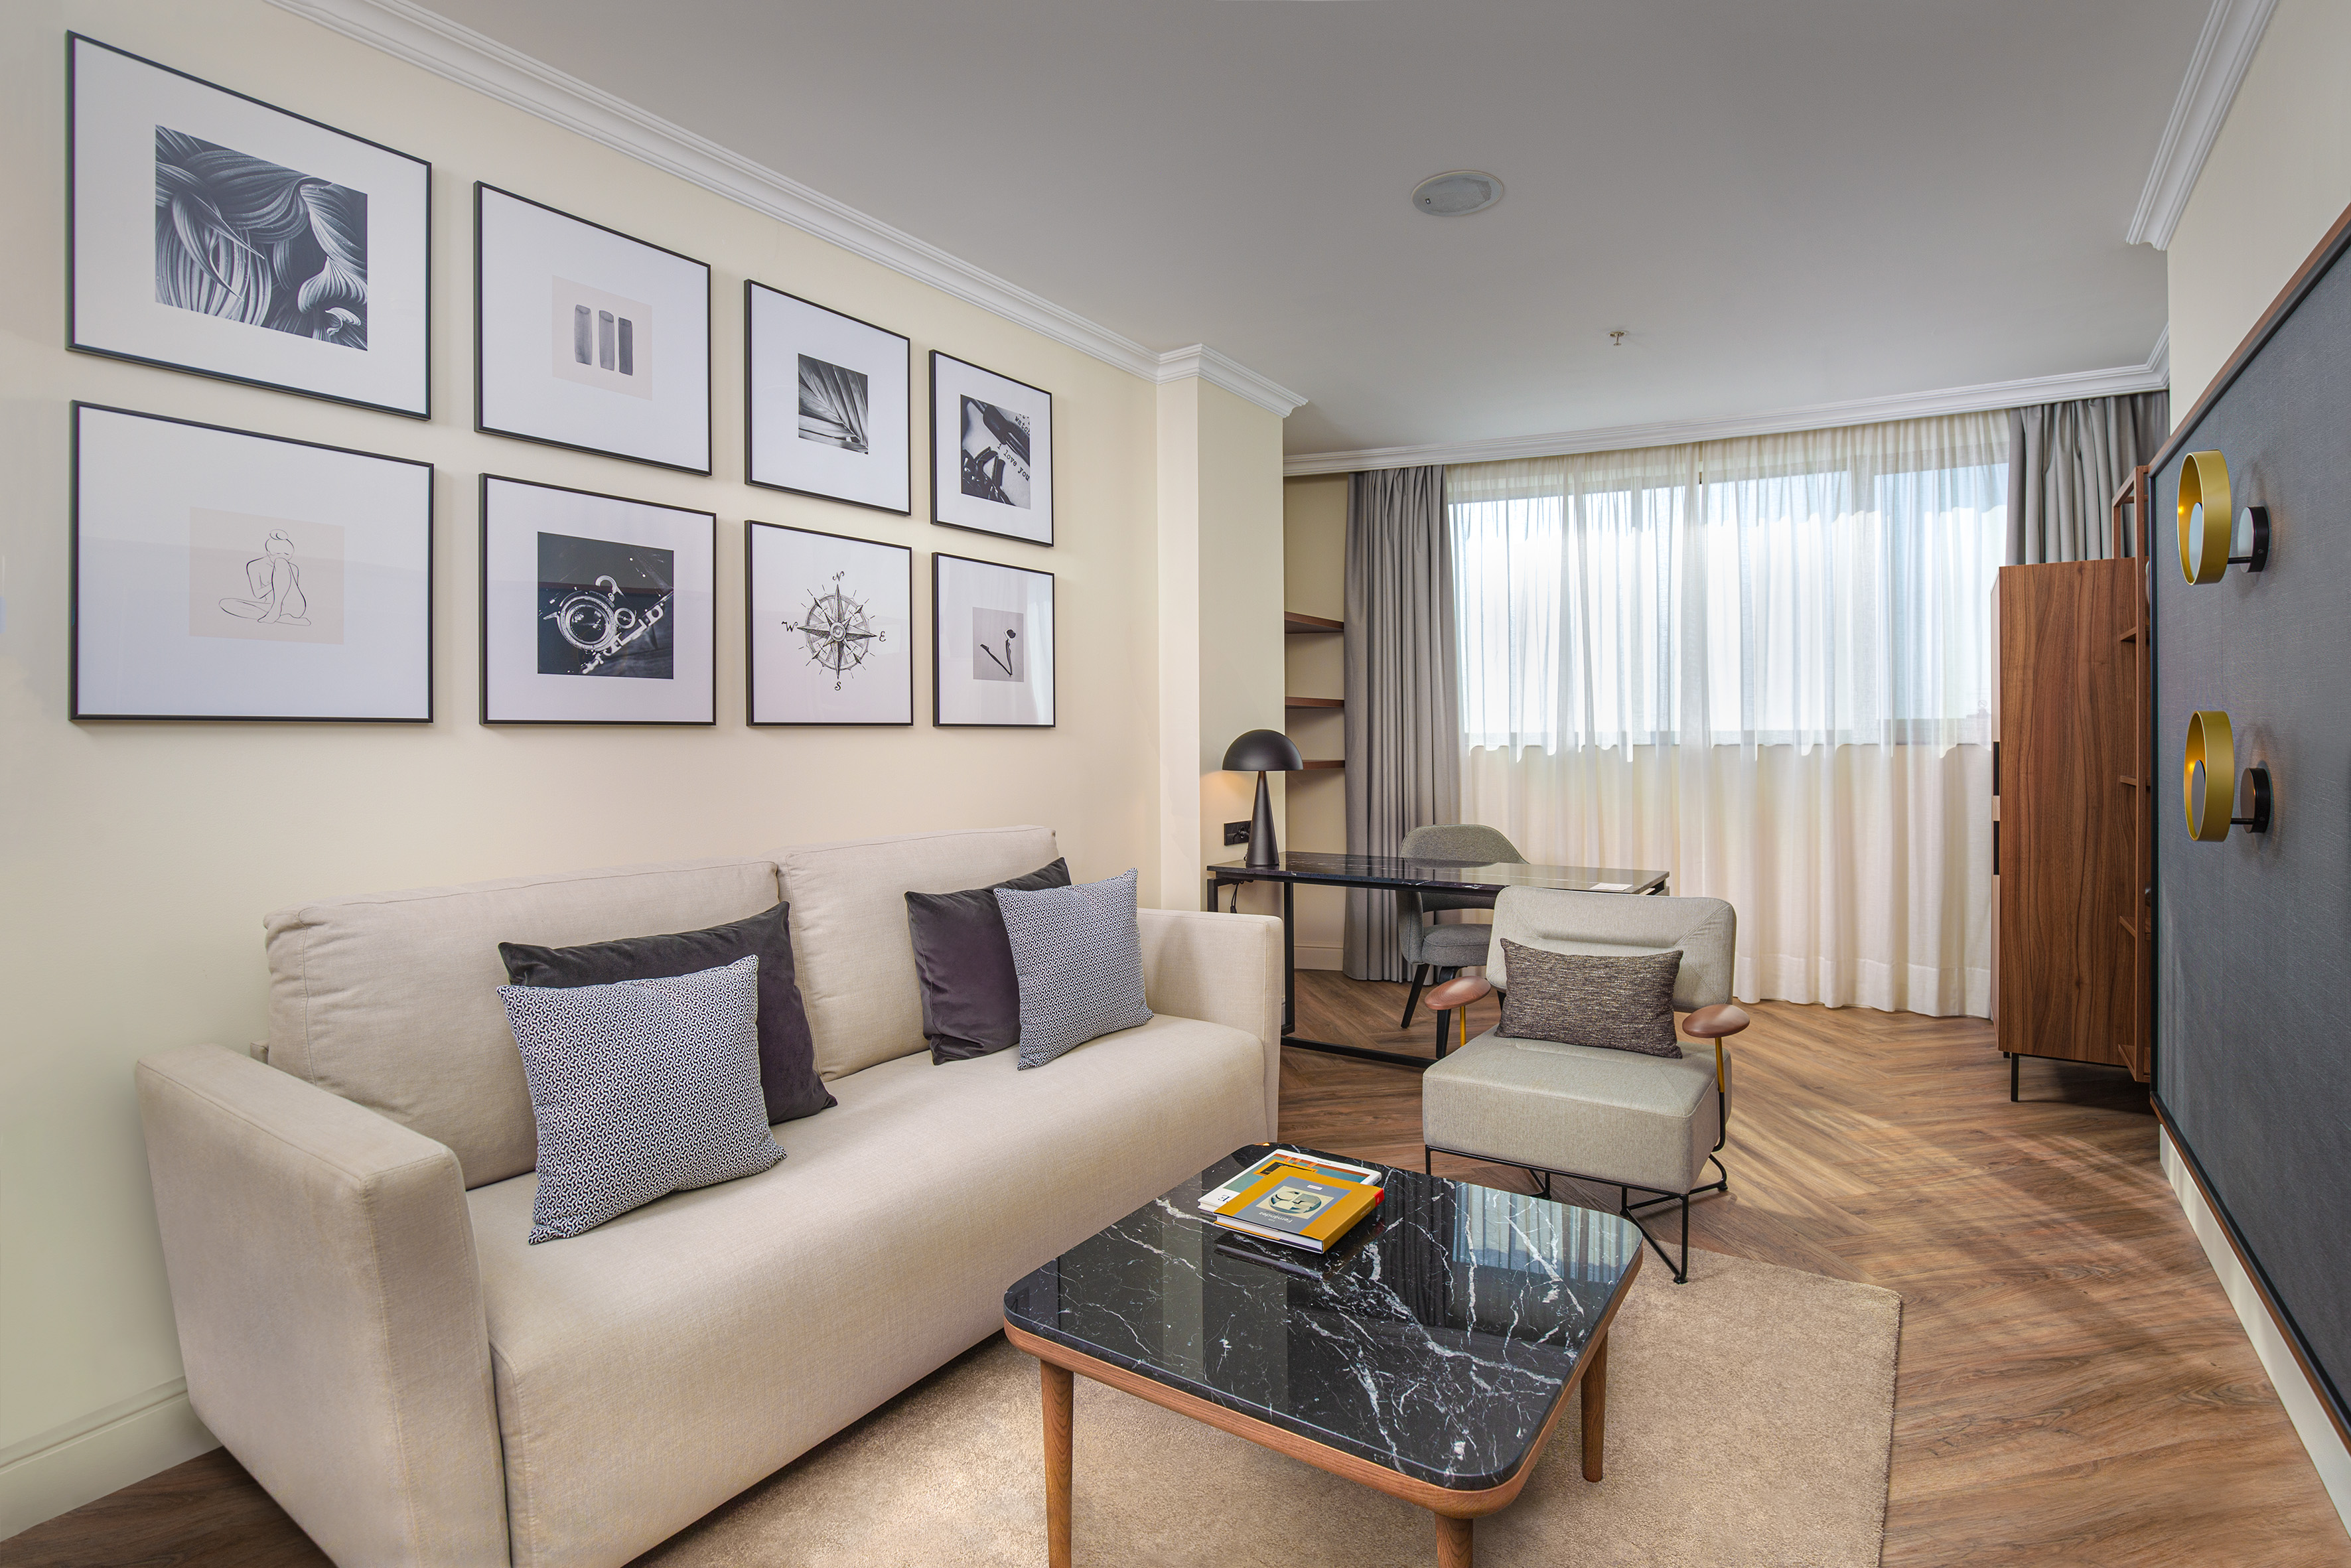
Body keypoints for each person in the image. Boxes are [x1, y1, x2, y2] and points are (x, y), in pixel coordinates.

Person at [220, 531, 311, 626]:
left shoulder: (292, 567)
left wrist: (282, 577)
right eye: (278, 554)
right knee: (226, 604)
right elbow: (258, 594)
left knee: (281, 563)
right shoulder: (254, 566)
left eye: (287, 555)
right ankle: (284, 619)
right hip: (269, 606)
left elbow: (292, 592)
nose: (283, 557)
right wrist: (275, 582)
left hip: (293, 606)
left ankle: (276, 610)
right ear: (269, 553)